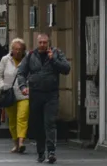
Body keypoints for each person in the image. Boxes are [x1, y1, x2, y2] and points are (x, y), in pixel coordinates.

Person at [16, 34, 71, 164]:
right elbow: (21, 73)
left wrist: (54, 61)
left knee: (50, 122)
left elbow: (66, 69)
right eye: (40, 42)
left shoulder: (56, 53)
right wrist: (23, 86)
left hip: (51, 94)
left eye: (44, 42)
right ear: (37, 42)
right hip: (36, 94)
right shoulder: (30, 55)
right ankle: (40, 152)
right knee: (38, 124)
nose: (42, 45)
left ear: (48, 43)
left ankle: (51, 151)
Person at [0, 38, 29, 153]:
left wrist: (29, 87)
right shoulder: (5, 60)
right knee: (12, 120)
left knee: (22, 118)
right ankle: (15, 142)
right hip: (9, 94)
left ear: (24, 50)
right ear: (12, 49)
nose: (18, 51)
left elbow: (32, 74)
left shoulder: (28, 59)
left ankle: (21, 142)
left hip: (24, 94)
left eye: (20, 49)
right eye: (15, 49)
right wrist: (2, 86)